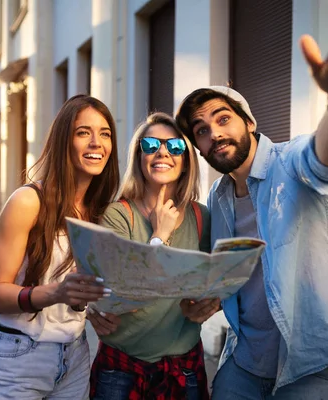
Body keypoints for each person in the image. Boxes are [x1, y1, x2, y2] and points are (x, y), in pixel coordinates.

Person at [174, 21, 328, 398]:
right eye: (201, 130)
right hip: (245, 364)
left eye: (222, 118)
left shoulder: (293, 162)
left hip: (312, 364)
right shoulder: (218, 197)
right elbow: (242, 276)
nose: (214, 133)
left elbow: (327, 160)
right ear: (198, 148)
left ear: (249, 122)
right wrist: (209, 300)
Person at [0, 94, 120, 399]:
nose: (97, 142)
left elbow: (80, 292)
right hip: (19, 357)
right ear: (63, 141)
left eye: (105, 133)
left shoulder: (100, 212)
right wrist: (56, 293)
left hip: (76, 353)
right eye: (84, 132)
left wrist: (95, 308)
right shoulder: (28, 201)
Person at [86, 112, 216, 400]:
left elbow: (211, 282)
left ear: (185, 162)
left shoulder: (200, 216)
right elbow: (127, 292)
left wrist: (210, 304)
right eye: (151, 145)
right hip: (121, 372)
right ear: (139, 157)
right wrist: (160, 235)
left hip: (185, 370)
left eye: (175, 146)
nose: (162, 152)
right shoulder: (117, 216)